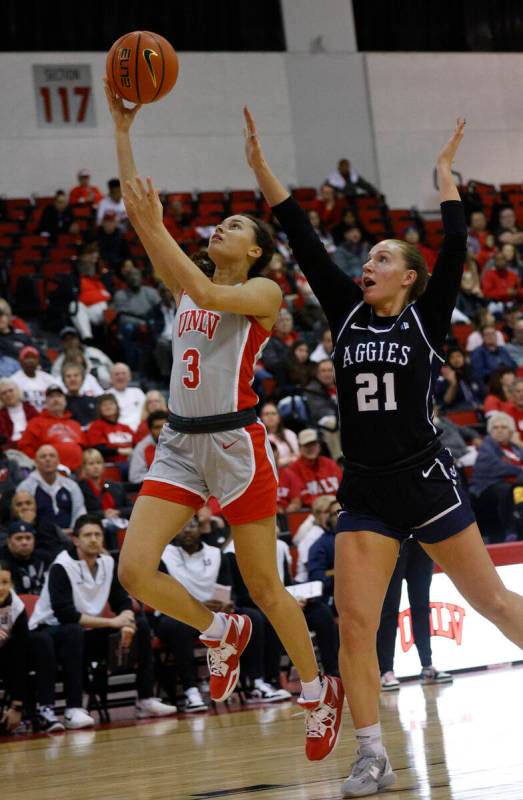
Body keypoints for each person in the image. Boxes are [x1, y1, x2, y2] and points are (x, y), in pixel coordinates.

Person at [245, 109, 523, 795]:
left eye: (380, 259)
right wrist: (261, 173)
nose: (364, 264)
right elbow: (303, 237)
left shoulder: (426, 318)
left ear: (406, 278)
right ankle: (370, 753)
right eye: (366, 258)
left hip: (425, 481)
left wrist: (442, 179)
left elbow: (455, 240)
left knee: (488, 597)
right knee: (354, 622)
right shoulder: (345, 311)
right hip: (365, 489)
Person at [104, 81, 343, 761]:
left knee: (265, 584)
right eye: (221, 223)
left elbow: (205, 288)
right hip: (179, 442)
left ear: (258, 253)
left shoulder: (261, 292)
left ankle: (314, 689)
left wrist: (155, 228)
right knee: (135, 571)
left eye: (236, 227)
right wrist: (125, 136)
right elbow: (142, 220)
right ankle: (218, 631)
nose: (220, 228)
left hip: (237, 446)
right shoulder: (189, 280)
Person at [29, 514, 176, 728]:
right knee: (72, 631)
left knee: (141, 624)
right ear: (76, 540)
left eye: (98, 534)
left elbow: (121, 599)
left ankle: (145, 699)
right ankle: (73, 708)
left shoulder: (108, 562)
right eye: (87, 535)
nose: (93, 539)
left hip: (86, 632)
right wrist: (113, 623)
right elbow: (66, 615)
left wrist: (126, 619)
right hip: (51, 632)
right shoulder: (61, 565)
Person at [378, 539, 452, 691]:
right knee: (389, 609)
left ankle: (427, 666)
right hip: (394, 539)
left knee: (422, 607)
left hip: (421, 540)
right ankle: (385, 670)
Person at [470, 413, 523, 542]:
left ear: (511, 431)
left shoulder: (515, 448)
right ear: (490, 431)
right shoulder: (487, 446)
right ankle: (511, 531)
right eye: (495, 427)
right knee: (508, 490)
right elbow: (495, 467)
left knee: (517, 489)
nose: (499, 430)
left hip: (514, 483)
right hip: (487, 485)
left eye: (503, 427)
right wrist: (519, 469)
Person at [17, 445, 86, 535]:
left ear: (58, 461)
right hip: (40, 538)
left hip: (71, 536)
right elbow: (24, 518)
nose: (48, 459)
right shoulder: (25, 487)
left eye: (52, 456)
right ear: (36, 462)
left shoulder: (71, 486)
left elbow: (79, 513)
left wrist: (75, 532)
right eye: (43, 456)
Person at [18, 385, 85, 472]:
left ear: (65, 400)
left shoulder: (75, 424)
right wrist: (41, 464)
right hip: (51, 473)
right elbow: (25, 448)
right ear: (45, 402)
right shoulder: (35, 423)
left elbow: (85, 447)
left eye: (59, 396)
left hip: (79, 472)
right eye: (51, 397)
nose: (56, 400)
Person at [78, 449, 133, 550]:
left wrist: (118, 512)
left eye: (98, 463)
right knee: (110, 529)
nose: (95, 467)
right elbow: (82, 512)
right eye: (91, 464)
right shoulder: (79, 488)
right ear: (84, 468)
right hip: (95, 524)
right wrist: (104, 514)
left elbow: (132, 508)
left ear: (103, 466)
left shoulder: (116, 486)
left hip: (120, 521)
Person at [112, 267, 161, 371]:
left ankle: (157, 372)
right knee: (128, 329)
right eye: (131, 276)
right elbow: (122, 317)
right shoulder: (120, 295)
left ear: (141, 278)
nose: (134, 278)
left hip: (150, 323)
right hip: (131, 325)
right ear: (126, 280)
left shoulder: (151, 292)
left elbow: (160, 311)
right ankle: (133, 369)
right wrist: (141, 323)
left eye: (136, 275)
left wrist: (149, 323)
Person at [0, 560, 28, 734]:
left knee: (19, 653)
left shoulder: (17, 607)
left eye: (4, 583)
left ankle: (13, 712)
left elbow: (22, 655)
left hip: (6, 658)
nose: (0, 588)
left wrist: (17, 706)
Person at [287, 428, 342, 508]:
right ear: (299, 447)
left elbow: (342, 488)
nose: (311, 448)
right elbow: (301, 498)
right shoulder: (294, 469)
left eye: (313, 444)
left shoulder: (330, 464)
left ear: (319, 445)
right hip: (310, 512)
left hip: (336, 508)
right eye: (306, 445)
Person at [70, 243, 112, 342]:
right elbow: (78, 297)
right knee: (74, 305)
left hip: (104, 309)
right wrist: (100, 296)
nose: (94, 256)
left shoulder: (103, 274)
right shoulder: (74, 276)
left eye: (95, 253)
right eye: (90, 253)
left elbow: (109, 295)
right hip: (88, 310)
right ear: (81, 256)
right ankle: (87, 339)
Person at [0, 520, 51, 595]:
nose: (24, 542)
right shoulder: (2, 561)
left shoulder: (43, 558)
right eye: (19, 538)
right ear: (9, 542)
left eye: (28, 538)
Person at [304, 359, 341, 460]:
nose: (327, 374)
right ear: (317, 374)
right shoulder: (312, 389)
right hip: (321, 423)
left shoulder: (341, 386)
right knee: (332, 424)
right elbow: (320, 411)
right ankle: (339, 460)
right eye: (323, 371)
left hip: (340, 418)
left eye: (330, 370)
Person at [86, 394, 134, 463]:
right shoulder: (96, 426)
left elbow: (137, 444)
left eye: (111, 404)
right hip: (111, 465)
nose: (108, 407)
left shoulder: (126, 427)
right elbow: (98, 448)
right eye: (104, 405)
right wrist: (120, 451)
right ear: (99, 409)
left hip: (132, 462)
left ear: (117, 407)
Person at [433, 347, 483, 412]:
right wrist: (453, 384)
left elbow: (482, 393)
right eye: (452, 357)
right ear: (448, 360)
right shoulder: (444, 378)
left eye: (458, 356)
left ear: (464, 358)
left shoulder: (472, 373)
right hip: (457, 411)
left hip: (477, 408)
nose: (456, 359)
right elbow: (447, 402)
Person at [128, 410, 169, 484]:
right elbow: (135, 477)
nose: (161, 430)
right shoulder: (141, 448)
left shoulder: (179, 444)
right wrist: (162, 477)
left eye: (164, 426)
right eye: (157, 427)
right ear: (150, 430)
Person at [11, 347, 55, 412]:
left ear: (38, 361)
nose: (31, 361)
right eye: (27, 358)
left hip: (47, 416)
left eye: (33, 357)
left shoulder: (48, 378)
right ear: (20, 361)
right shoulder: (13, 381)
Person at [107, 363, 145, 432]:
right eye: (117, 374)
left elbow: (146, 412)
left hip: (140, 431)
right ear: (110, 378)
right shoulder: (105, 395)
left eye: (123, 373)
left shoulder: (138, 392)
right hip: (117, 432)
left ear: (129, 377)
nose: (120, 377)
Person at [0, 379, 37, 449]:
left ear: (18, 391)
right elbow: (3, 438)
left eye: (10, 390)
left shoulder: (30, 409)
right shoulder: (1, 415)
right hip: (11, 449)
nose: (8, 394)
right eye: (4, 393)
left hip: (32, 445)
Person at [260, 402, 299, 467]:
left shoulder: (289, 434)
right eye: (266, 414)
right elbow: (266, 463)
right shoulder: (259, 438)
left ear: (279, 417)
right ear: (261, 418)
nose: (270, 416)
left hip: (292, 470)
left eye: (273, 413)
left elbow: (298, 456)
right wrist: (288, 460)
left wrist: (280, 462)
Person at [61, 362, 99, 427]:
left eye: (76, 375)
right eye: (68, 376)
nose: (72, 379)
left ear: (82, 379)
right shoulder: (60, 403)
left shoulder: (93, 401)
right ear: (63, 381)